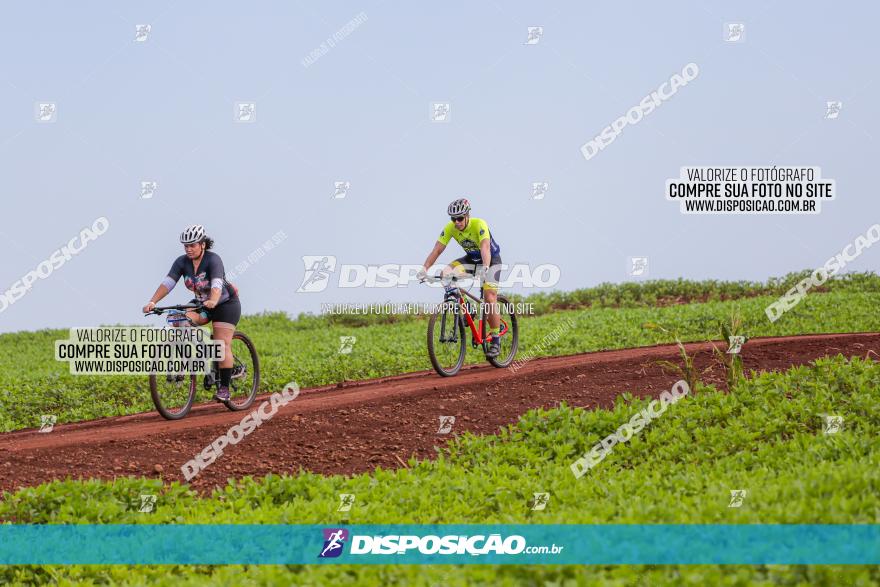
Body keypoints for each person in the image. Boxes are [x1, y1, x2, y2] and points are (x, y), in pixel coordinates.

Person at [142, 224, 241, 401]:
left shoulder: (213, 260)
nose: (188, 249)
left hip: (225, 304)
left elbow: (217, 284)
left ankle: (224, 389)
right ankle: (187, 362)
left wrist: (213, 300)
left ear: (202, 244)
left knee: (221, 344)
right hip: (203, 304)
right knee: (179, 319)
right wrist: (152, 301)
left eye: (192, 245)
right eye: (186, 246)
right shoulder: (181, 262)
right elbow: (168, 283)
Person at [419, 198, 503, 358]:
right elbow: (437, 250)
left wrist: (485, 267)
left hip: (491, 260)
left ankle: (496, 340)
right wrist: (424, 269)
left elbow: (485, 247)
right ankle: (468, 310)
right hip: (471, 260)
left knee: (489, 297)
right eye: (453, 218)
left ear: (467, 215)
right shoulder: (450, 228)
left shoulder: (479, 224)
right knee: (446, 274)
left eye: (459, 218)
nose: (456, 222)